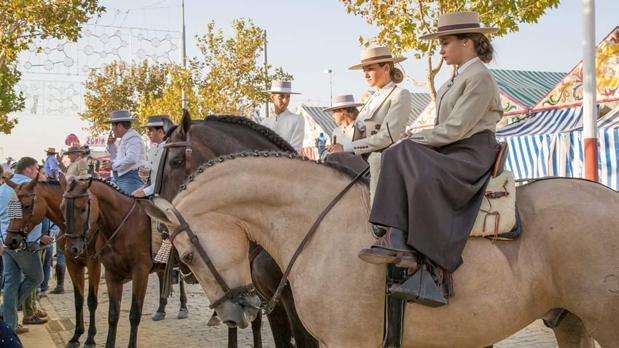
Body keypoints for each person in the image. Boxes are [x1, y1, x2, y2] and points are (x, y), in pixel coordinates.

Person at [359, 12, 502, 306]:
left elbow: (458, 128)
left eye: (446, 43)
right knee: (399, 153)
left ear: (467, 42)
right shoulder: (459, 76)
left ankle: (408, 247)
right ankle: (397, 237)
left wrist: (415, 139)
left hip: (470, 153)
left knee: (400, 151)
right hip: (455, 147)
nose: (441, 49)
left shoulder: (480, 77)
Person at [328, 46, 412, 200]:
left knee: (368, 161)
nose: (365, 74)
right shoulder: (370, 99)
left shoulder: (399, 95)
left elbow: (387, 137)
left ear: (386, 68)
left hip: (383, 159)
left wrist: (346, 147)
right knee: (330, 162)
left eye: (370, 69)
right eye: (364, 70)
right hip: (362, 157)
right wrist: (339, 148)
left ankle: (378, 218)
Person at [0, 157, 53, 333]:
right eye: (37, 169)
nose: (38, 173)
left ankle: (10, 325)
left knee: (11, 283)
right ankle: (5, 312)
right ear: (29, 170)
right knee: (36, 277)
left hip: (6, 241)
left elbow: (9, 216)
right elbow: (26, 216)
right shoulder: (31, 188)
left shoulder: (3, 188)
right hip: (24, 242)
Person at [104, 110, 146, 194]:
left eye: (112, 125)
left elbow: (132, 159)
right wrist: (111, 145)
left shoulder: (133, 138)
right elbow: (118, 158)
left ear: (119, 126)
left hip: (130, 179)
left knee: (127, 206)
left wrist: (113, 166)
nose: (112, 129)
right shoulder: (127, 137)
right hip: (122, 178)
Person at [132, 115, 172, 198]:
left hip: (164, 195)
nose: (147, 134)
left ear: (160, 132)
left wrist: (145, 192)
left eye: (150, 130)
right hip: (152, 190)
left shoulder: (169, 150)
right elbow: (153, 174)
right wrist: (146, 172)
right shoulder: (153, 149)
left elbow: (166, 179)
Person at [261, 81, 305, 152]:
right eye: (281, 96)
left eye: (288, 96)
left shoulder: (297, 120)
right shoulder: (264, 123)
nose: (285, 101)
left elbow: (295, 150)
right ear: (272, 97)